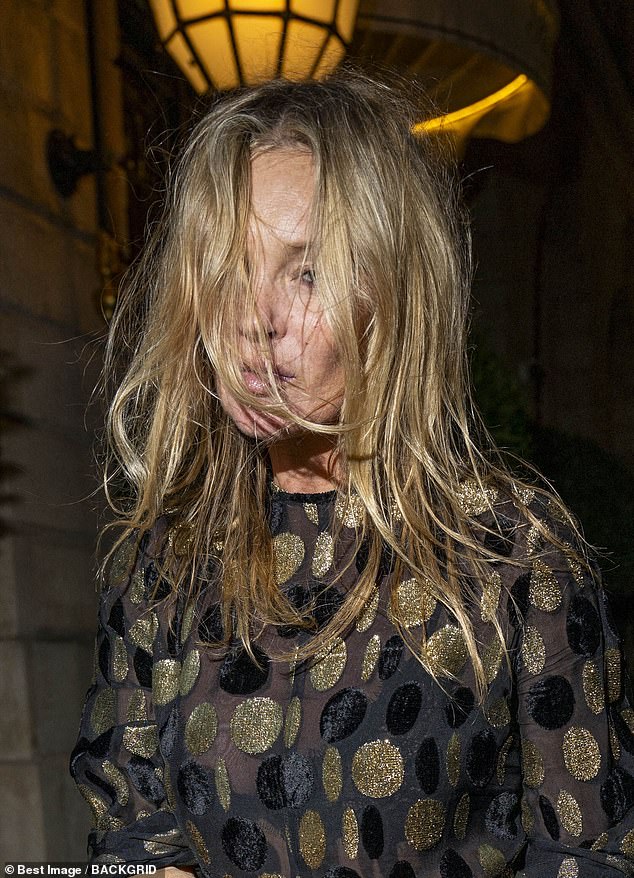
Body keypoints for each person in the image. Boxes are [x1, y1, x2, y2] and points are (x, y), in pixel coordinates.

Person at [71, 74, 634, 878]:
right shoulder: (160, 570)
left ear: (392, 294)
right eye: (229, 269)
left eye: (305, 273)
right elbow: (127, 836)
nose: (253, 319)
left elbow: (592, 855)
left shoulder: (514, 558)